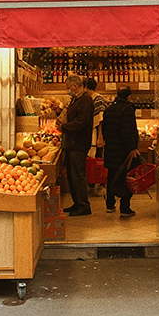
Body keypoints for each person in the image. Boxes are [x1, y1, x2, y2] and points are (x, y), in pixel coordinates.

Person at [56, 73, 94, 216]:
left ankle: (84, 206)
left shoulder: (85, 100)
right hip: (73, 143)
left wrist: (64, 127)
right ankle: (77, 203)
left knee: (78, 175)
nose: (67, 90)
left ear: (74, 86)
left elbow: (81, 121)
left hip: (79, 143)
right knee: (72, 175)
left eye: (68, 87)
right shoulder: (76, 100)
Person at [102, 86, 139, 217]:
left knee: (111, 176)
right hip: (123, 150)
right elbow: (127, 132)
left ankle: (110, 204)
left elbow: (104, 129)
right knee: (125, 177)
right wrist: (132, 147)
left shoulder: (109, 109)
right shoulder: (127, 109)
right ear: (129, 96)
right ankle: (124, 207)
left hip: (111, 148)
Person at [84, 76, 107, 158]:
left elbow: (100, 120)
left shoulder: (98, 99)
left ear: (86, 86)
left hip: (97, 133)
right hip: (90, 132)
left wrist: (100, 136)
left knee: (96, 156)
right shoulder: (89, 98)